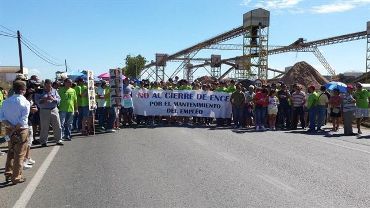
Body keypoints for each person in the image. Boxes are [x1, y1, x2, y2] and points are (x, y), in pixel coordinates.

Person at [0, 80, 30, 184]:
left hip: (9, 129)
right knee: (20, 154)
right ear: (23, 90)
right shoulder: (25, 102)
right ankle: (16, 177)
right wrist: (15, 128)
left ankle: (8, 172)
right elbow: (23, 120)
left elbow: (2, 118)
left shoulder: (6, 101)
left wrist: (11, 127)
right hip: (21, 130)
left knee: (11, 151)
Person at [35, 79, 63, 147]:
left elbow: (59, 99)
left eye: (50, 86)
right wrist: (44, 99)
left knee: (57, 125)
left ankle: (58, 140)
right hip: (44, 110)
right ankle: (43, 141)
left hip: (54, 109)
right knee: (44, 127)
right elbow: (37, 101)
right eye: (47, 86)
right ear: (44, 85)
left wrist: (54, 99)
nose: (48, 88)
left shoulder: (54, 90)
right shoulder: (39, 91)